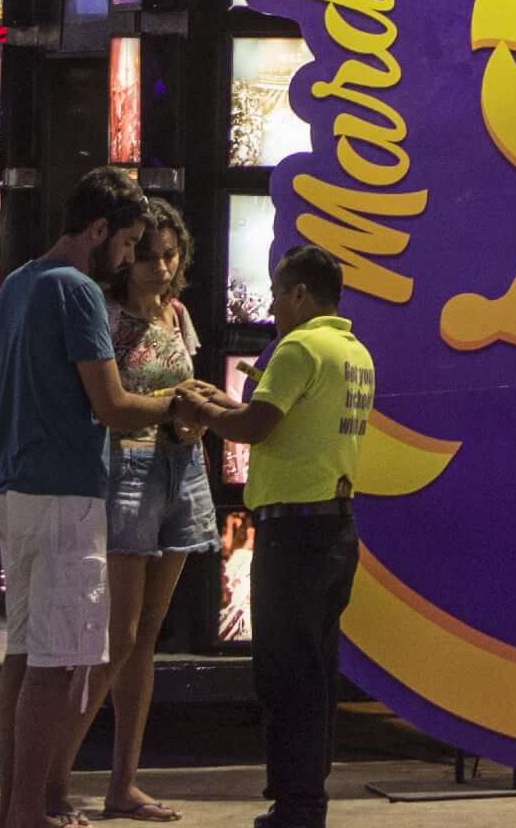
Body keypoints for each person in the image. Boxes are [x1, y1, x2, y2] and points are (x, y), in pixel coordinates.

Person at [0, 168, 180, 828]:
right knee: (61, 662)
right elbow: (113, 404)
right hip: (64, 494)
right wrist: (179, 402)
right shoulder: (77, 291)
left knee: (22, 654)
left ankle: (15, 806)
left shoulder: (18, 281)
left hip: (12, 492)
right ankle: (27, 814)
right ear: (99, 231)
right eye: (127, 244)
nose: (127, 258)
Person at [195, 247, 374, 828]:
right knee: (317, 672)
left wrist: (202, 415)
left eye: (276, 295)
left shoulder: (299, 347)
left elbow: (254, 425)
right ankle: (306, 799)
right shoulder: (354, 352)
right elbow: (276, 419)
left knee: (286, 673)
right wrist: (217, 401)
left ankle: (296, 806)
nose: (272, 307)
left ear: (300, 293)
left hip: (293, 535)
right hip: (335, 530)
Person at [92, 200, 216, 821]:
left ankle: (123, 781)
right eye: (149, 255)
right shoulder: (108, 317)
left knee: (148, 637)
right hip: (128, 467)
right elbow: (108, 406)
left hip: (181, 465)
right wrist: (176, 402)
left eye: (170, 255)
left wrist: (197, 410)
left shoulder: (177, 313)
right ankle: (52, 771)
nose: (161, 267)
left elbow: (180, 393)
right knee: (121, 634)